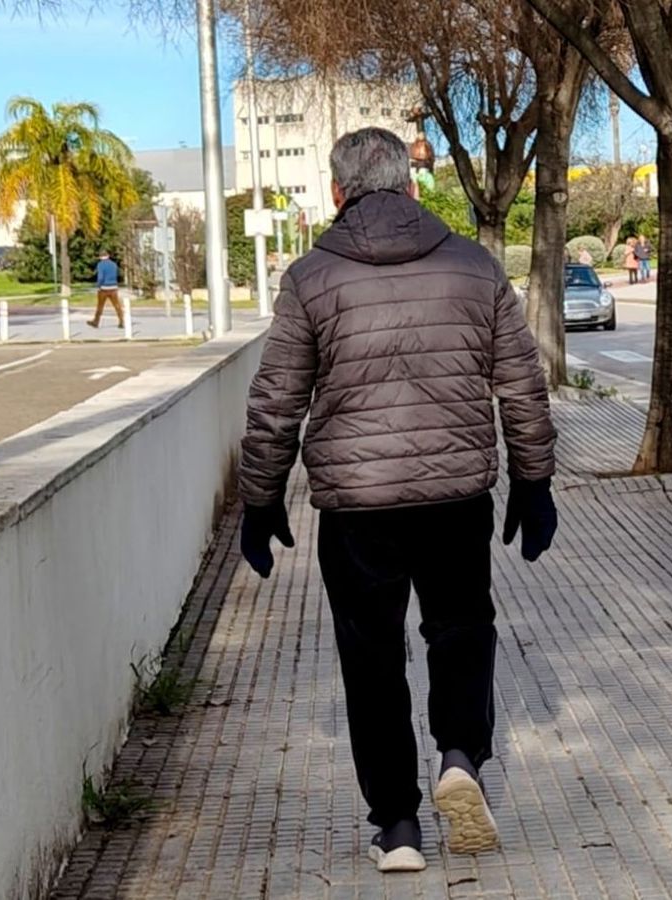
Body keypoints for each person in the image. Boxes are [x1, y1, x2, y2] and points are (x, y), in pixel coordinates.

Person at [237, 127, 558, 874]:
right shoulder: (474, 265)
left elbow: (276, 402)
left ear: (336, 191)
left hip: (356, 508)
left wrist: (261, 498)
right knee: (461, 629)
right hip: (455, 496)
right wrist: (533, 481)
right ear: (412, 187)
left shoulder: (310, 278)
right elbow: (522, 384)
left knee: (371, 657)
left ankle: (399, 828)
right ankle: (459, 756)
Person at [89, 252, 123, 329]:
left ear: (100, 257)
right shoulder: (113, 264)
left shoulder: (100, 265)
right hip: (113, 287)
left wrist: (99, 285)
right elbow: (117, 274)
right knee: (117, 305)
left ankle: (96, 321)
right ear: (108, 256)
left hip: (104, 288)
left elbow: (100, 277)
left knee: (100, 306)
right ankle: (121, 321)